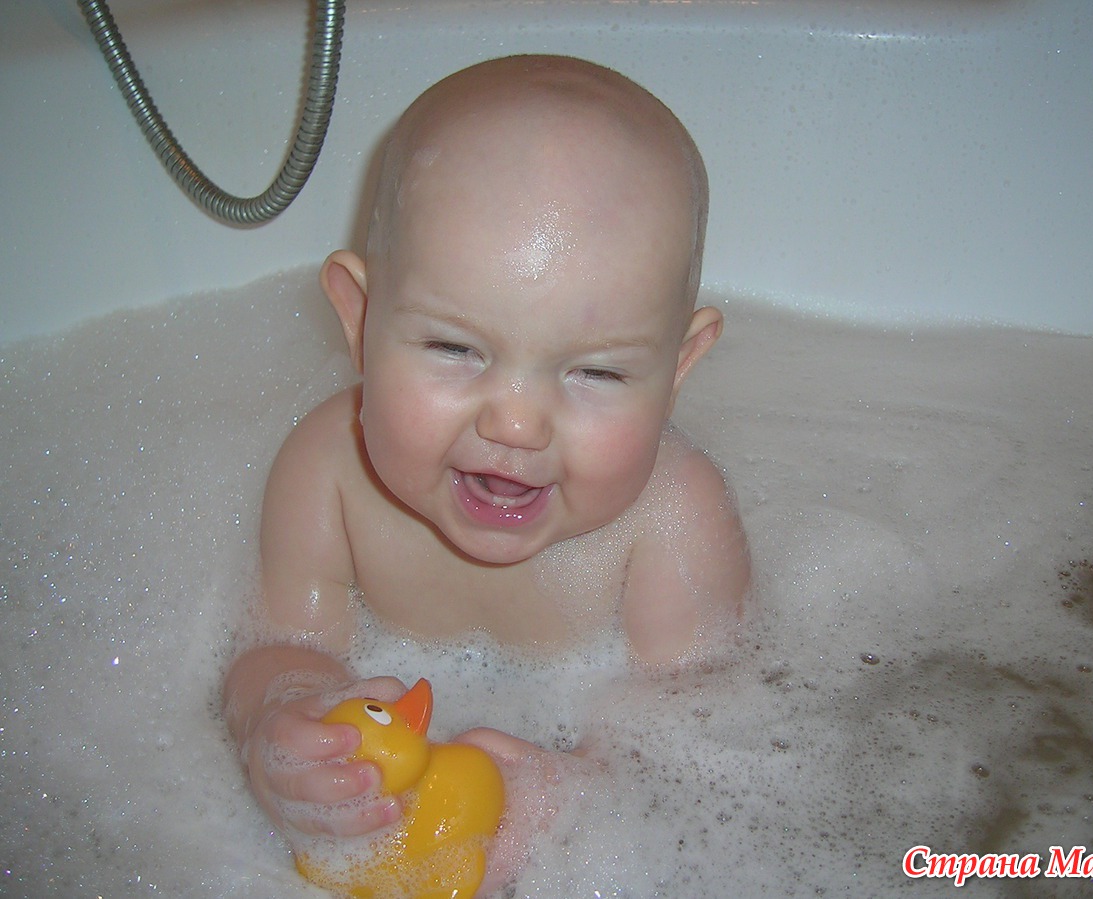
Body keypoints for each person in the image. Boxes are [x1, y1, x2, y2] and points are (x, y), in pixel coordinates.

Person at [222, 53, 749, 893]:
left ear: (677, 367)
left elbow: (701, 727)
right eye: (454, 348)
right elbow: (285, 646)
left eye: (597, 372)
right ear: (360, 319)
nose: (516, 424)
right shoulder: (327, 473)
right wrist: (281, 725)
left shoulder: (673, 515)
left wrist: (589, 792)